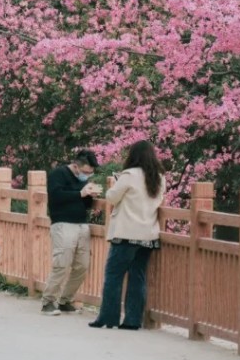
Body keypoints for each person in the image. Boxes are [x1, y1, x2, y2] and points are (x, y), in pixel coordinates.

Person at [89, 141, 166, 331]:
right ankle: (132, 320)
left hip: (126, 234)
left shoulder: (129, 175)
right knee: (137, 276)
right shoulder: (159, 178)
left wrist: (114, 185)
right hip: (148, 234)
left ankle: (108, 318)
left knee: (114, 275)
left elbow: (111, 197)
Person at [42, 150, 103, 316]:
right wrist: (80, 193)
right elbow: (56, 197)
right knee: (62, 263)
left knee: (82, 266)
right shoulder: (58, 174)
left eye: (90, 173)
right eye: (85, 172)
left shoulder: (84, 180)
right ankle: (48, 301)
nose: (87, 175)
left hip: (82, 224)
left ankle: (65, 300)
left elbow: (86, 203)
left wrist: (91, 194)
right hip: (63, 223)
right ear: (76, 166)